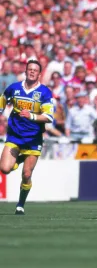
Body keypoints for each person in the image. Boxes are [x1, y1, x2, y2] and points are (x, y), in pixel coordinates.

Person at [0, 59, 54, 215]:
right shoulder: (14, 88)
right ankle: (20, 158)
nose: (32, 72)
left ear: (39, 74)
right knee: (4, 169)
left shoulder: (44, 92)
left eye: (35, 70)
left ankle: (20, 205)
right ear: (25, 71)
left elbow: (49, 117)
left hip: (33, 139)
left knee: (27, 174)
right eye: (29, 69)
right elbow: (2, 102)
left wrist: (31, 116)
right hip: (15, 135)